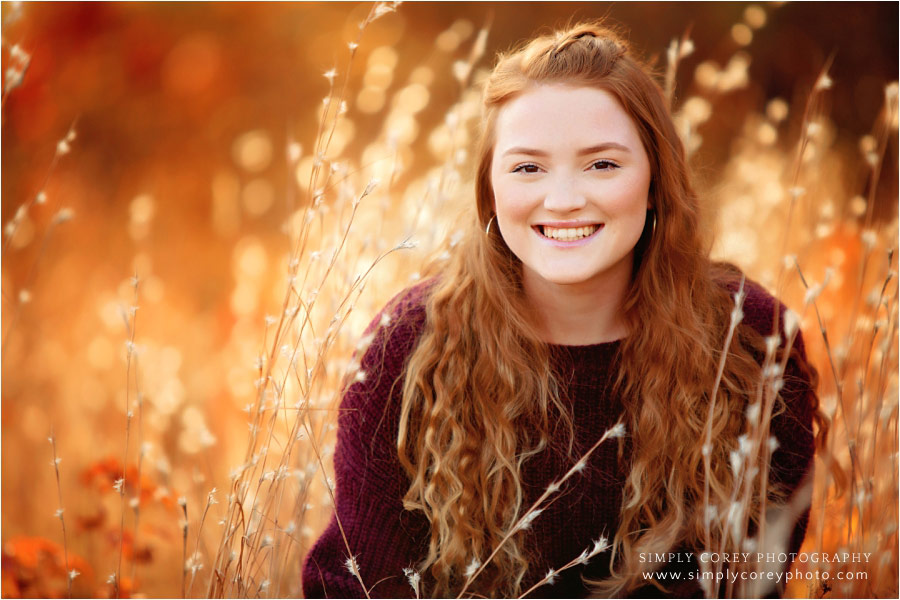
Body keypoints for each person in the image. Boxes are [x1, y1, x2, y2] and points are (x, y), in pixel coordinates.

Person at [302, 21, 826, 599]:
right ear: (490, 190)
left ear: (655, 179)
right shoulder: (411, 345)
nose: (564, 199)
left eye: (602, 164)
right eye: (528, 167)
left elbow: (743, 579)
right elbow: (352, 585)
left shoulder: (747, 339)